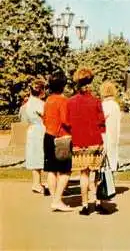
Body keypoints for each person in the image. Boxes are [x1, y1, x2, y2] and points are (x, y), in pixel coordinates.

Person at [67, 68, 108, 216]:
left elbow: (67, 122)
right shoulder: (96, 101)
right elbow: (102, 123)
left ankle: (84, 205)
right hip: (95, 141)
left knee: (83, 174)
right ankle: (97, 202)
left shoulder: (70, 102)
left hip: (79, 142)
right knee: (96, 174)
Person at [43, 70, 73, 212]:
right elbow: (65, 120)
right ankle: (57, 200)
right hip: (61, 138)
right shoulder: (63, 100)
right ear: (63, 85)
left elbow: (44, 118)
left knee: (51, 170)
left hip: (48, 136)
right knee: (65, 171)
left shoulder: (48, 100)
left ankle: (55, 198)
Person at [21, 79, 47, 194]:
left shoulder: (26, 104)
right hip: (40, 130)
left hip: (31, 130)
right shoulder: (39, 104)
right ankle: (38, 183)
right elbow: (46, 115)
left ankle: (36, 183)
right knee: (41, 156)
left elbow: (23, 119)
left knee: (34, 156)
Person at [100, 81, 121, 173]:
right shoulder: (115, 105)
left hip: (103, 135)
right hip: (114, 134)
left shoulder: (103, 105)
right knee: (112, 154)